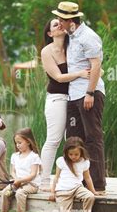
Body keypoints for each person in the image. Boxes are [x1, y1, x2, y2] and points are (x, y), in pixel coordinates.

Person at [52, 1, 107, 195]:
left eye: (60, 18)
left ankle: (98, 185)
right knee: (75, 139)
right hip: (73, 95)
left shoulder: (88, 37)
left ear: (69, 20)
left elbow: (96, 65)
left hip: (88, 93)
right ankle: (77, 183)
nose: (58, 21)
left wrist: (90, 92)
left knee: (93, 137)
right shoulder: (71, 36)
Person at [39, 18, 90, 191]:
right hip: (57, 98)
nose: (59, 24)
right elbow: (59, 78)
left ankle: (75, 180)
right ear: (50, 33)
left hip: (75, 97)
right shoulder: (46, 51)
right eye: (54, 24)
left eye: (60, 22)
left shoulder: (72, 46)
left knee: (74, 140)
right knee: (53, 140)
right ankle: (44, 181)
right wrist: (81, 73)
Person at [50, 136, 96, 212]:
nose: (73, 157)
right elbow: (56, 177)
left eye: (76, 154)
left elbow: (87, 178)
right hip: (63, 191)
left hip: (77, 187)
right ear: (66, 153)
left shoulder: (84, 162)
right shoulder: (61, 161)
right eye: (70, 154)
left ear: (81, 152)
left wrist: (93, 191)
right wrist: (52, 192)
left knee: (90, 197)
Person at [0, 127, 41, 212]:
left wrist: (21, 181)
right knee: (5, 192)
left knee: (20, 193)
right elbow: (12, 171)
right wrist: (16, 179)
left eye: (20, 142)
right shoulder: (15, 156)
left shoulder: (34, 156)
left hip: (31, 184)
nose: (17, 145)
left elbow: (33, 174)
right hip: (17, 182)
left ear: (28, 141)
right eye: (16, 143)